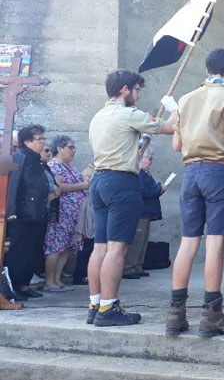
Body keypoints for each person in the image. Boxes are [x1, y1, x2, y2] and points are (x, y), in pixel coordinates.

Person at [88, 70, 177, 327]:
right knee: (117, 248)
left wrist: (138, 145)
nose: (138, 95)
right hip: (121, 183)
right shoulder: (128, 114)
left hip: (99, 180)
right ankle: (109, 308)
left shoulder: (98, 116)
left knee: (100, 247)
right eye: (137, 90)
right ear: (125, 89)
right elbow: (171, 127)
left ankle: (95, 304)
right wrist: (175, 108)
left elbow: (116, 146)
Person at [166, 48, 224, 338]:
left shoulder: (186, 99)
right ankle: (212, 314)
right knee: (215, 243)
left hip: (191, 173)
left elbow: (176, 145)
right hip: (218, 172)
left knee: (188, 241)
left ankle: (175, 313)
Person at [5, 125, 51, 300]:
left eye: (43, 138)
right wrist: (12, 212)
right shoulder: (21, 157)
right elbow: (14, 186)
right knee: (20, 252)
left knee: (32, 252)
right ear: (27, 141)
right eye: (39, 139)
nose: (42, 142)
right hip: (22, 215)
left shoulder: (36, 159)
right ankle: (14, 287)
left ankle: (24, 285)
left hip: (37, 213)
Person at [43, 135, 89, 291]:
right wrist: (83, 185)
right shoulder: (55, 166)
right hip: (60, 214)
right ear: (59, 148)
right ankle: (49, 281)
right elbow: (58, 187)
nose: (74, 150)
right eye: (70, 147)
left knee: (66, 247)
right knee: (55, 247)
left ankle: (57, 280)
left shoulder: (70, 167)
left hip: (72, 217)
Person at [123, 142, 166, 280]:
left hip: (146, 212)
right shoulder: (138, 173)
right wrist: (159, 188)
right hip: (140, 212)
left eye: (151, 158)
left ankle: (138, 266)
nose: (150, 161)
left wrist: (159, 189)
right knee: (136, 241)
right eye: (148, 158)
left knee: (143, 241)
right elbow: (144, 191)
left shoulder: (145, 173)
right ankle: (128, 268)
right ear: (140, 159)